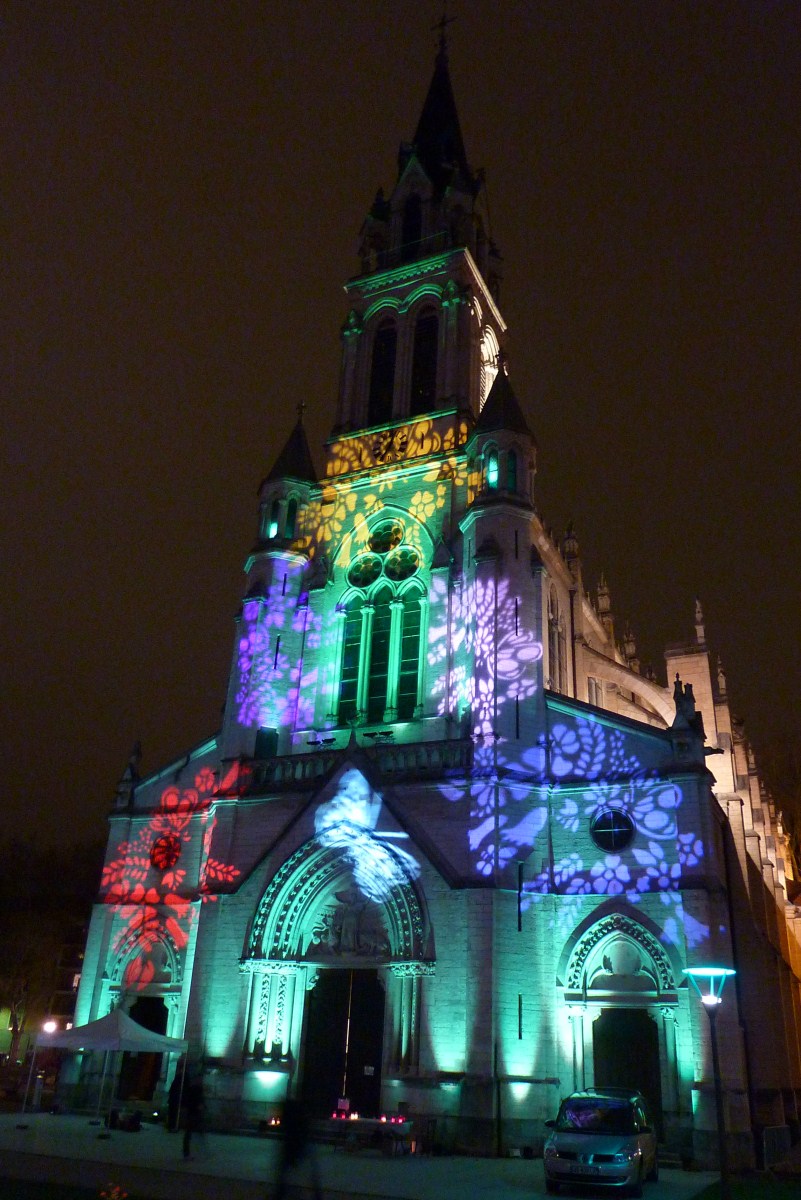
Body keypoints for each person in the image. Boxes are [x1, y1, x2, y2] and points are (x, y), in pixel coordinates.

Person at [274, 1096, 322, 1200]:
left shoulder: (291, 1123)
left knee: (285, 1177)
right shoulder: (300, 1122)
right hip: (299, 1146)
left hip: (295, 1148)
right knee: (308, 1174)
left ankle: (280, 1193)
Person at [182, 1078, 204, 1160]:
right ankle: (188, 1153)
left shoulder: (192, 1089)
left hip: (192, 1113)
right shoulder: (196, 1090)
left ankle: (187, 1153)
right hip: (193, 1113)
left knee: (189, 1133)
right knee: (189, 1133)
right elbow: (196, 1101)